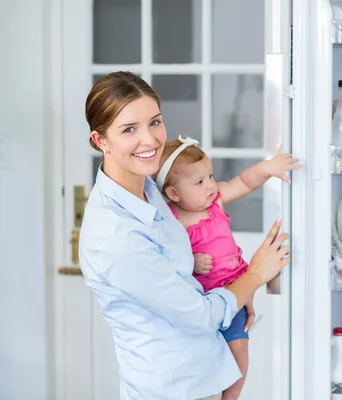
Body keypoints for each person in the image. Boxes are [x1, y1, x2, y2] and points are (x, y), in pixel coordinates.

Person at [78, 71, 291, 400]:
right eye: (129, 129)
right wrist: (255, 275)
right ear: (100, 140)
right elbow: (198, 315)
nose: (149, 140)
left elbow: (185, 278)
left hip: (204, 374)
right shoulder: (114, 236)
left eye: (155, 122)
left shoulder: (150, 189)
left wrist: (237, 292)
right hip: (172, 390)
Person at [152, 137, 299, 399]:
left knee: (239, 352)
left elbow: (243, 182)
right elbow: (167, 260)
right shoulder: (171, 222)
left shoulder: (216, 202)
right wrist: (192, 260)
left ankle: (230, 397)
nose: (210, 185)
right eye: (199, 182)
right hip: (201, 304)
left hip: (236, 295)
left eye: (210, 176)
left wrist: (268, 168)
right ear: (173, 194)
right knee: (204, 359)